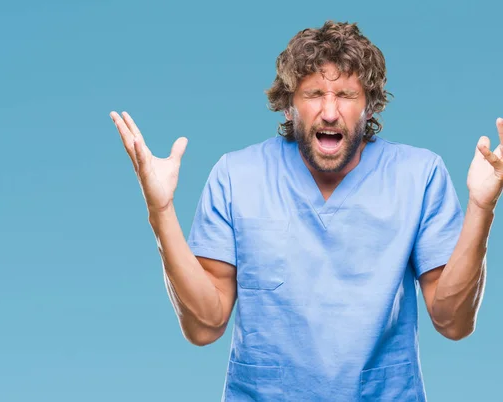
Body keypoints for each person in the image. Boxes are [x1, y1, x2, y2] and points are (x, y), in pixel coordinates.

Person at [110, 20, 502, 401]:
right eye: (314, 94)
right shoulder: (236, 176)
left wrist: (482, 207)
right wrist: (160, 210)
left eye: (346, 95)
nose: (329, 112)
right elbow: (204, 326)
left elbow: (453, 322)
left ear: (369, 107)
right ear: (287, 106)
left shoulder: (419, 175)